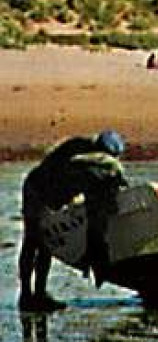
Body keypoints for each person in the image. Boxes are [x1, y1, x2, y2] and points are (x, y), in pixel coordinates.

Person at [18, 131, 128, 311]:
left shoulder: (99, 171)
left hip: (53, 196)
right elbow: (54, 172)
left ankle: (39, 294)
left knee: (46, 246)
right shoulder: (77, 150)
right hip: (36, 189)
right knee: (33, 240)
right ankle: (25, 296)